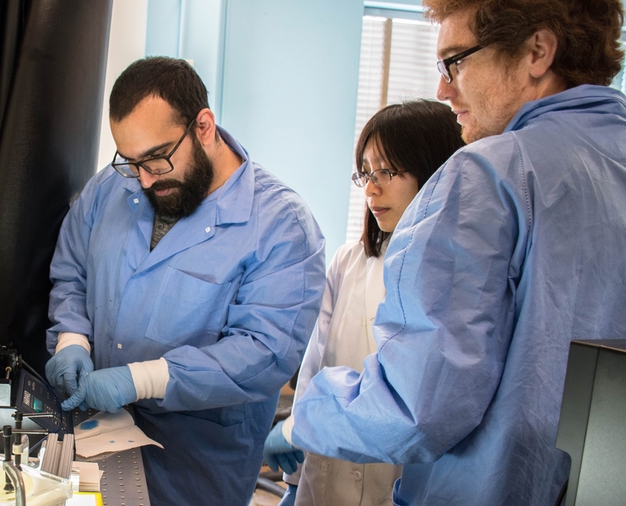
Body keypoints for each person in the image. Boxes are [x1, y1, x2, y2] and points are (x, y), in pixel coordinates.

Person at [263, 1, 626, 505]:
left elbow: (418, 407)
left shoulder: (491, 174)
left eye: (457, 60)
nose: (443, 88)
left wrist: (302, 421)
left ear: (538, 51)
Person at [44, 56, 326, 506]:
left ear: (204, 126)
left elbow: (264, 352)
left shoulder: (281, 225)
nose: (143, 179)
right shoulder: (110, 189)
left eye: (156, 159)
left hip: (195, 469)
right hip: (91, 445)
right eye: (130, 161)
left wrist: (143, 380)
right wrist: (72, 339)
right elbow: (71, 271)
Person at [268, 101, 465, 506]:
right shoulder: (348, 262)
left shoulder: (457, 273)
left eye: (388, 172)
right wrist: (292, 476)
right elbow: (314, 370)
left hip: (397, 484)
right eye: (366, 173)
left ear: (434, 172)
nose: (372, 188)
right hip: (326, 477)